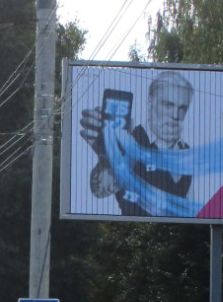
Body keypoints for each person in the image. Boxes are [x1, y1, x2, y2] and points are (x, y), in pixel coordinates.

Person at [80, 70, 194, 217]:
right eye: (168, 105)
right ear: (151, 102)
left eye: (182, 108)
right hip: (133, 233)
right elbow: (101, 188)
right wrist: (106, 158)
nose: (176, 115)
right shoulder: (130, 144)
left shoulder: (187, 151)